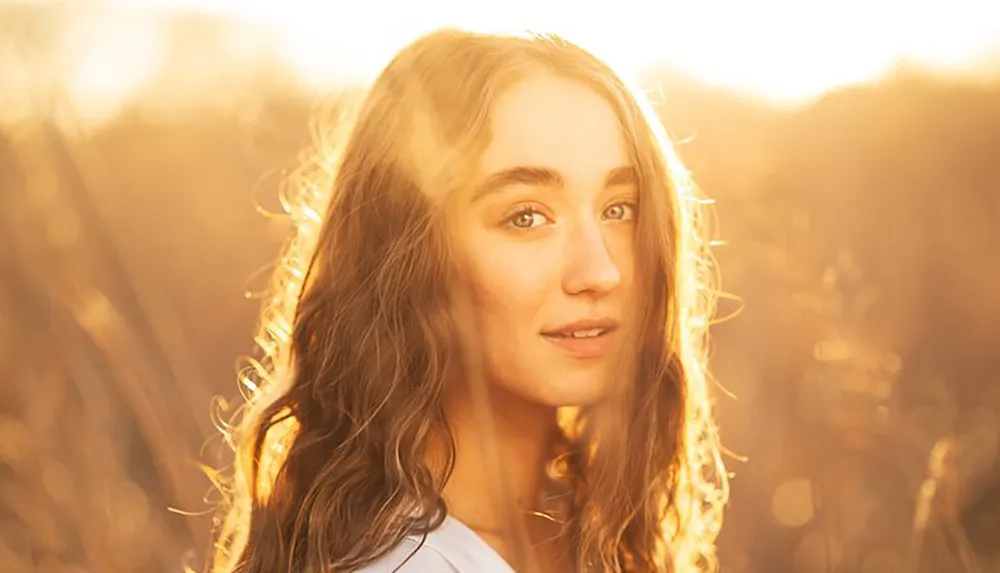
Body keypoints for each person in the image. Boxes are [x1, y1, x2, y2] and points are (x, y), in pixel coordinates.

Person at [207, 28, 727, 573]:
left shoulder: (590, 527)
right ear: (411, 256)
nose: (600, 270)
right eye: (526, 216)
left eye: (620, 208)